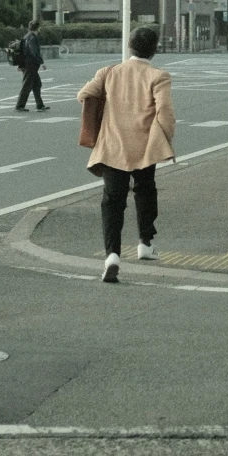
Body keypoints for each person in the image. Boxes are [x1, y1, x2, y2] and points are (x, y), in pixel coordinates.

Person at [77, 25, 176, 283]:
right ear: (155, 50)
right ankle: (145, 244)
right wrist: (165, 139)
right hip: (144, 146)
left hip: (113, 146)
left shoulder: (109, 73)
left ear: (130, 46)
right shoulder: (159, 76)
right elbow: (165, 113)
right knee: (145, 191)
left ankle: (112, 256)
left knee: (112, 201)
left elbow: (83, 95)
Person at [14, 23, 47, 112]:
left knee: (37, 84)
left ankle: (40, 105)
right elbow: (34, 52)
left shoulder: (26, 36)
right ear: (38, 28)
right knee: (27, 85)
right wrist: (41, 62)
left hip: (26, 64)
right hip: (30, 65)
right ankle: (19, 105)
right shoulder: (32, 37)